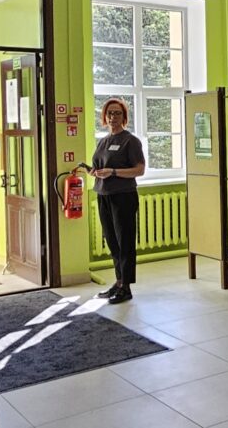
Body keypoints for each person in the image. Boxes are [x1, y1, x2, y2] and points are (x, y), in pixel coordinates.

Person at [91, 98, 145, 304]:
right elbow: (100, 165)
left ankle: (126, 287)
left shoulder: (130, 141)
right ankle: (119, 280)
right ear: (104, 117)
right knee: (112, 241)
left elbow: (139, 170)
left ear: (124, 117)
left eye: (117, 113)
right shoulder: (103, 141)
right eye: (110, 113)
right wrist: (94, 172)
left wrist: (113, 172)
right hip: (104, 195)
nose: (113, 117)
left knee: (125, 241)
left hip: (123, 196)